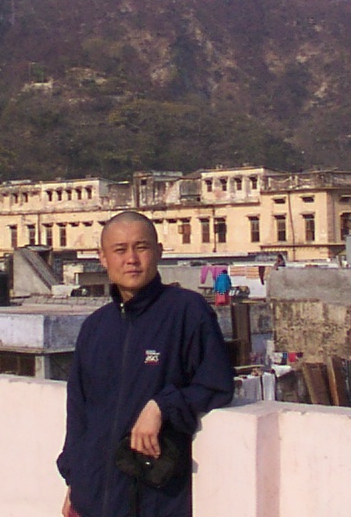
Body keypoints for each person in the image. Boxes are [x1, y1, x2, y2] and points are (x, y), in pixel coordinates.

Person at [58, 211, 235, 517]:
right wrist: (75, 481)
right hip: (90, 499)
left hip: (153, 501)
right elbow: (79, 415)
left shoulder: (186, 312)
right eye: (120, 250)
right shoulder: (95, 327)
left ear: (159, 252)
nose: (132, 259)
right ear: (103, 258)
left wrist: (161, 406)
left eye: (141, 247)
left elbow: (216, 384)